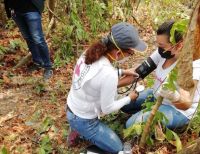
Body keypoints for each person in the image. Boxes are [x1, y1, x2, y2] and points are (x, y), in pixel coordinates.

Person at [66, 22, 147, 153]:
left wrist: (121, 72)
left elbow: (95, 77)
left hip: (72, 106)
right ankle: (83, 139)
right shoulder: (108, 74)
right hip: (84, 119)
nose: (131, 54)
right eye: (130, 52)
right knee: (118, 149)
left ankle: (77, 129)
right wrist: (129, 98)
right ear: (118, 51)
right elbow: (107, 108)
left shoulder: (90, 52)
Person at [118, 20, 200, 129]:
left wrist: (174, 96)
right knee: (123, 103)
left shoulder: (191, 65)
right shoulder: (163, 53)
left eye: (161, 45)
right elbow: (138, 73)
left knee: (131, 125)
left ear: (179, 45)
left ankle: (154, 123)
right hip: (157, 95)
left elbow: (186, 104)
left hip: (177, 110)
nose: (158, 48)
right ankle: (147, 115)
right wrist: (111, 83)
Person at [4, 0, 53, 79]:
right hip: (16, 12)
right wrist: (10, 10)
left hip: (32, 10)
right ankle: (37, 62)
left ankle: (48, 67)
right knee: (28, 38)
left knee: (38, 39)